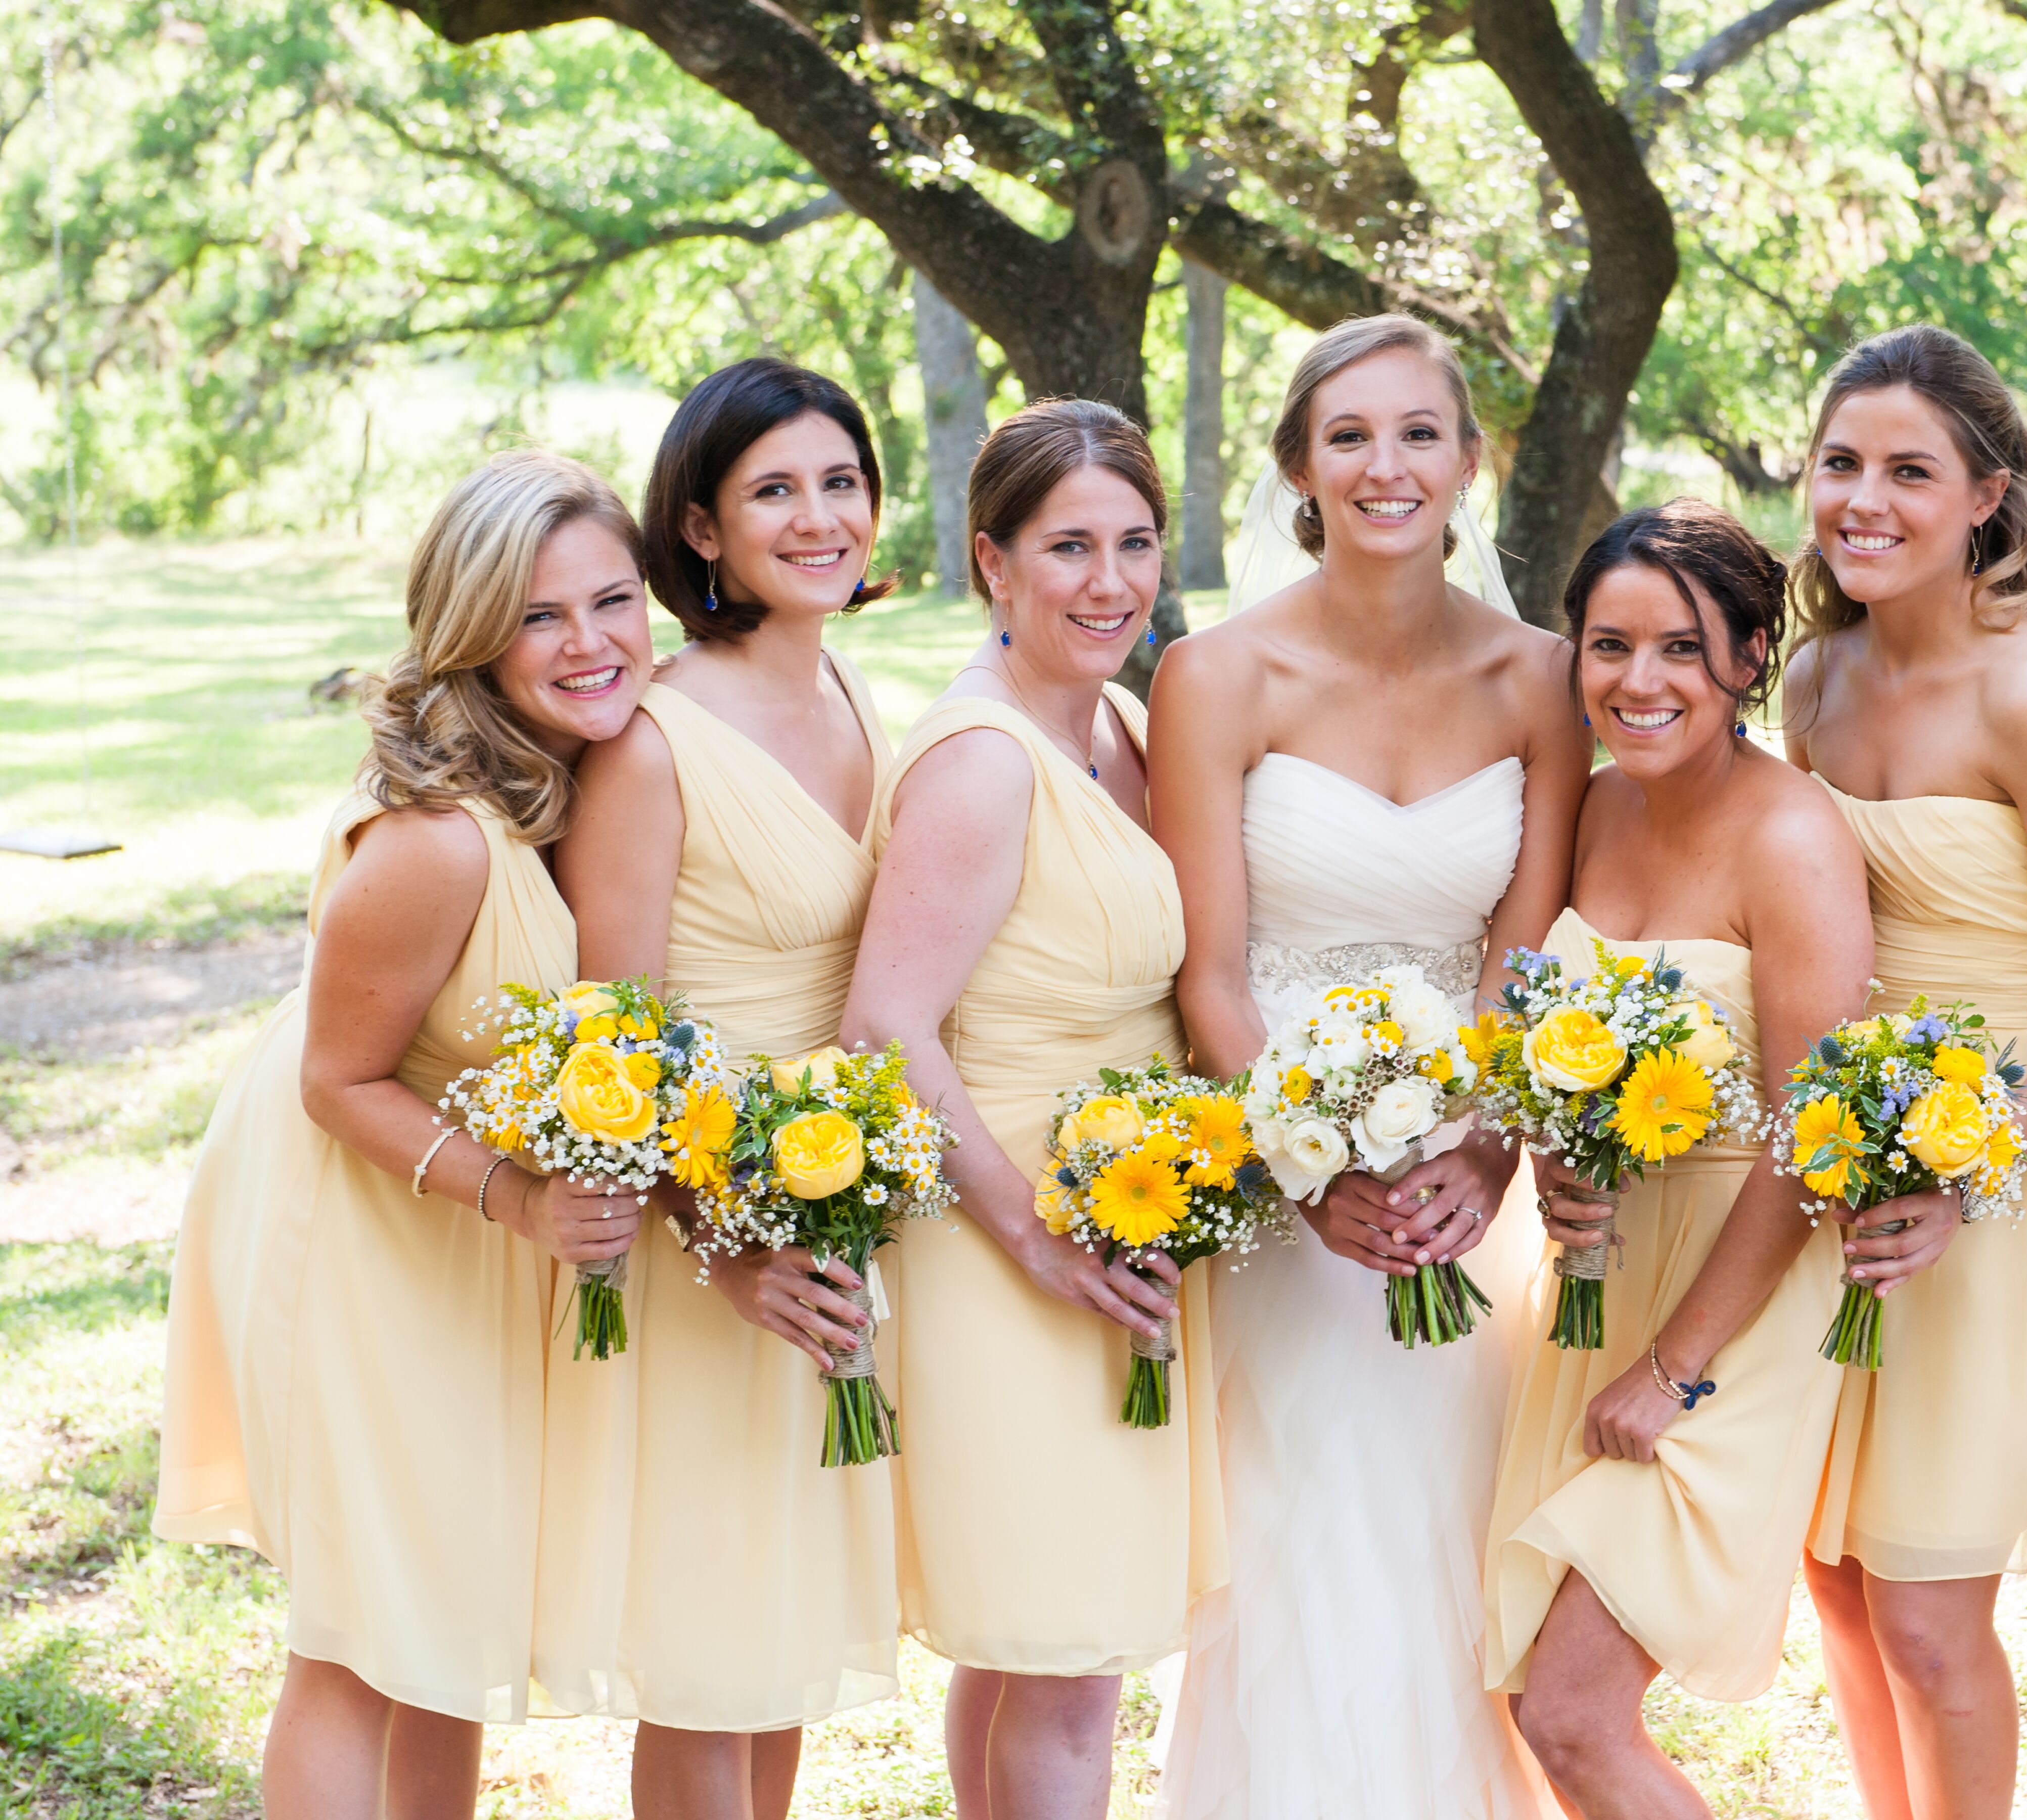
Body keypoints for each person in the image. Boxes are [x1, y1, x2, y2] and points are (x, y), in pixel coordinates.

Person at [153, 451, 653, 1819]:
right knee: (363, 1640)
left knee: (442, 1625)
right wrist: (523, 1202)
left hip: (446, 1229)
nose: (592, 641)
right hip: (359, 1232)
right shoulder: (438, 841)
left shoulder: (573, 781)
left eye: (614, 599)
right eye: (542, 616)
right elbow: (336, 1078)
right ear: (473, 636)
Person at [1149, 313, 1587, 1819]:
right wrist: (1313, 1167)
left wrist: (1487, 1157)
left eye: (1418, 433)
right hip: (1286, 1180)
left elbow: (1516, 972)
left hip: (1467, 1187)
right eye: (1348, 436)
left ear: (1471, 461)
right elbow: (1206, 971)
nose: (1384, 466)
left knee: (1452, 1535)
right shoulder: (1218, 675)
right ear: (1297, 469)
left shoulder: (1543, 678)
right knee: (1300, 1534)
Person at [1779, 325, 2027, 1818]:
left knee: (1930, 1605)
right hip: (1855, 1170)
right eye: (1839, 464)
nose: (1863, 499)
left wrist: (1962, 1176)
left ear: (1987, 495)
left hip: (2011, 1185)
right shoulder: (1811, 676)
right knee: (1837, 1579)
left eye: (1908, 472)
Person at [1480, 500, 1908, 1818]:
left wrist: (1678, 1369)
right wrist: (1550, 1146)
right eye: (1609, 647)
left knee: (1569, 1709)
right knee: (1526, 1685)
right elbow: (1524, 1004)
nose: (1639, 681)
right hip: (1596, 1277)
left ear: (1744, 660)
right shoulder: (1593, 813)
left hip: (1742, 1307)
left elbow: (1809, 1136)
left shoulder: (1791, 839)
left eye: (1679, 649)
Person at [841, 398, 1215, 1820]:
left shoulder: (1115, 721)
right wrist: (1041, 1240)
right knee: (1063, 1668)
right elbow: (885, 1026)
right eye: (1067, 547)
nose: (1108, 580)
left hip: (1108, 1221)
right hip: (1010, 1241)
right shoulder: (986, 758)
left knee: (1029, 1660)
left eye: (1133, 542)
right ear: (992, 560)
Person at [549, 359, 900, 1820]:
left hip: (841, 1216)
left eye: (840, 483)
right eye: (774, 492)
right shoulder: (651, 743)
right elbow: (616, 1044)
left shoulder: (860, 696)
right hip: (716, 1244)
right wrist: (728, 1249)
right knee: (707, 1659)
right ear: (699, 529)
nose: (818, 518)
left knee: (788, 1648)